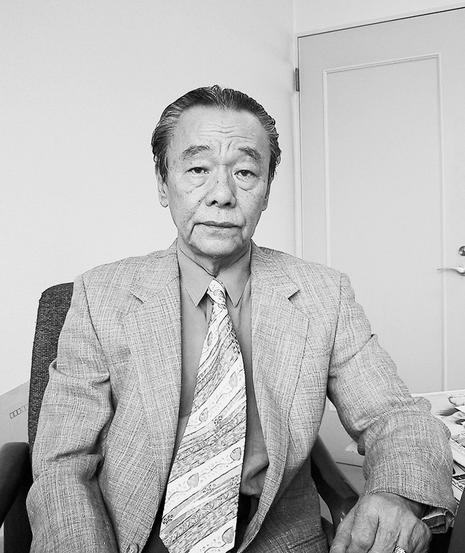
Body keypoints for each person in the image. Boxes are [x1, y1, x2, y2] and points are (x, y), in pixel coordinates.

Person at [27, 86, 455, 553]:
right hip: (131, 533)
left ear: (266, 190)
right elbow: (63, 461)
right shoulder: (100, 295)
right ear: (162, 184)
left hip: (275, 534)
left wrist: (395, 495)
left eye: (246, 172)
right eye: (197, 169)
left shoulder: (323, 294)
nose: (222, 195)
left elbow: (395, 415)